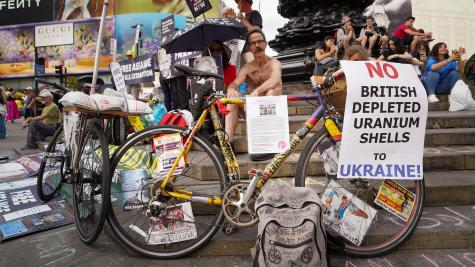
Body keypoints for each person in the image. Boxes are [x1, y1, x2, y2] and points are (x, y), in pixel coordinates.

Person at [226, 29, 282, 161]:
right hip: (252, 110)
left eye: (260, 41)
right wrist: (231, 89)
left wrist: (256, 92)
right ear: (250, 47)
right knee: (232, 99)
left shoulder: (275, 63)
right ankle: (228, 145)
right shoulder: (247, 68)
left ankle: (267, 144)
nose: (257, 45)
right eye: (253, 43)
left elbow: (275, 80)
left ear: (265, 44)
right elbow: (235, 83)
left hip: (272, 112)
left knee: (271, 91)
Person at [235, 0, 263, 65]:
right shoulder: (243, 18)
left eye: (238, 3)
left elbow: (256, 32)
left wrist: (243, 19)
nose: (237, 6)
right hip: (241, 51)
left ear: (244, 2)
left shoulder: (255, 13)